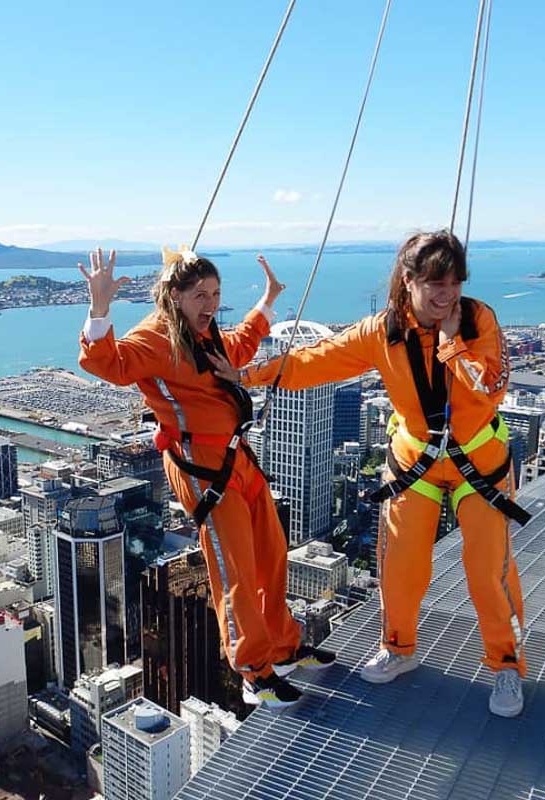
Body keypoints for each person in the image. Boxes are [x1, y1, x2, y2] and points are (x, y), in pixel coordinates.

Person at [212, 230, 528, 718]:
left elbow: (492, 388)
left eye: (454, 283)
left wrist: (451, 346)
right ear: (409, 281)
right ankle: (398, 647)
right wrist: (248, 375)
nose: (446, 295)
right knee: (399, 567)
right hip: (416, 460)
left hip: (479, 461)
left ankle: (506, 665)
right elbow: (318, 360)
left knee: (487, 570)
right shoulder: (382, 331)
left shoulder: (476, 320)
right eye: (434, 284)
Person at [78, 246, 335, 710]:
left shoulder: (206, 331)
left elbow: (237, 346)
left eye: (215, 294)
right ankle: (253, 672)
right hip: (201, 466)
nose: (211, 304)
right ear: (174, 295)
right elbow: (108, 364)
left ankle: (284, 647)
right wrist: (99, 308)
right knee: (233, 565)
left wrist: (268, 302)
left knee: (272, 551)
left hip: (238, 456)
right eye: (200, 295)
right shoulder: (156, 337)